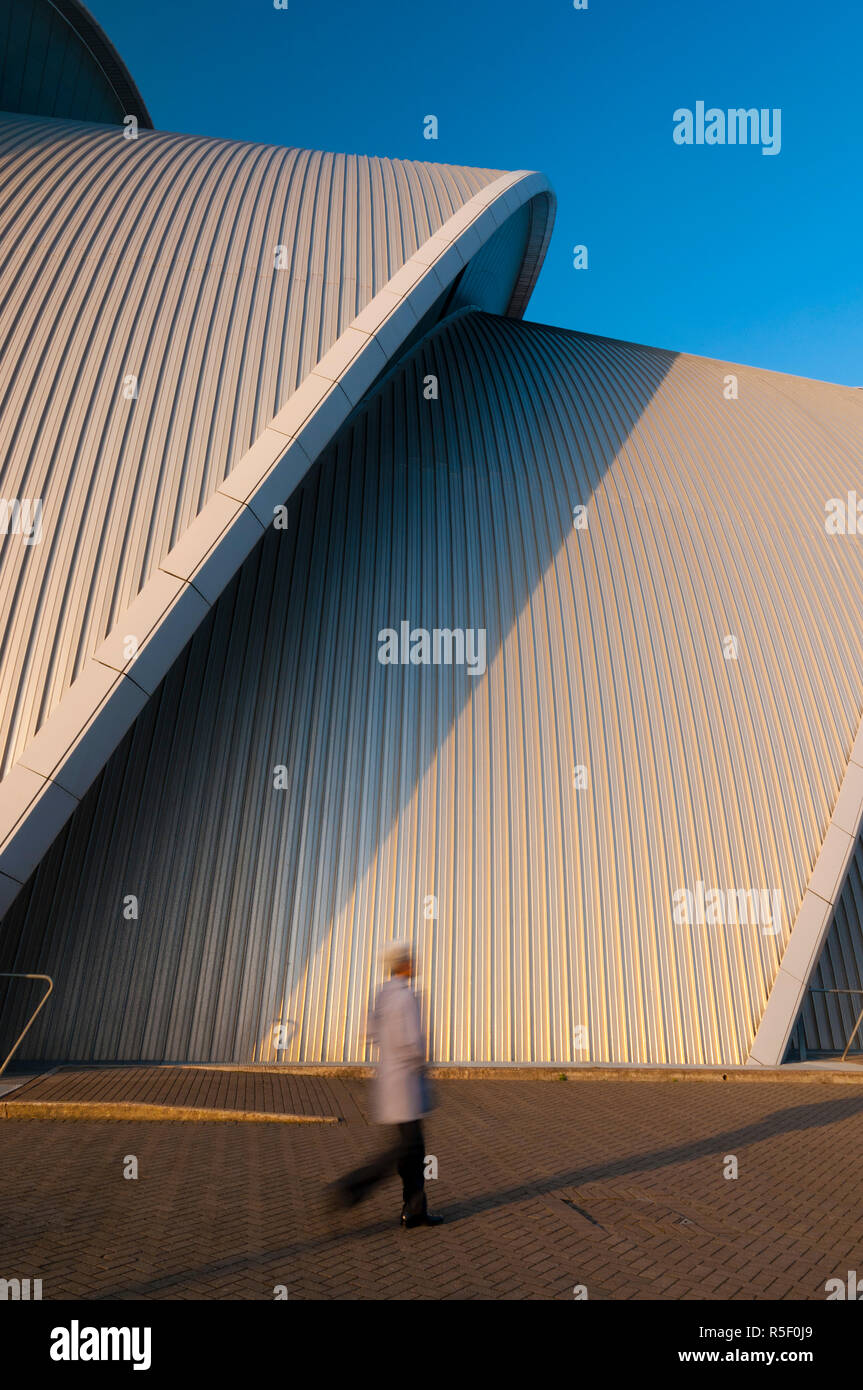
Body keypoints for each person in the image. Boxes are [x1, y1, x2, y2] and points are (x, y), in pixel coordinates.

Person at [332, 941, 443, 1228]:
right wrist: (422, 1068)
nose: (415, 965)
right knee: (405, 1150)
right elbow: (413, 1043)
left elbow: (369, 1032)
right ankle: (353, 1187)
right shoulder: (407, 997)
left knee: (412, 1151)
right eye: (412, 962)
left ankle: (414, 1209)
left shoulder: (382, 994)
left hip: (389, 1080)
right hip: (406, 1085)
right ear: (404, 966)